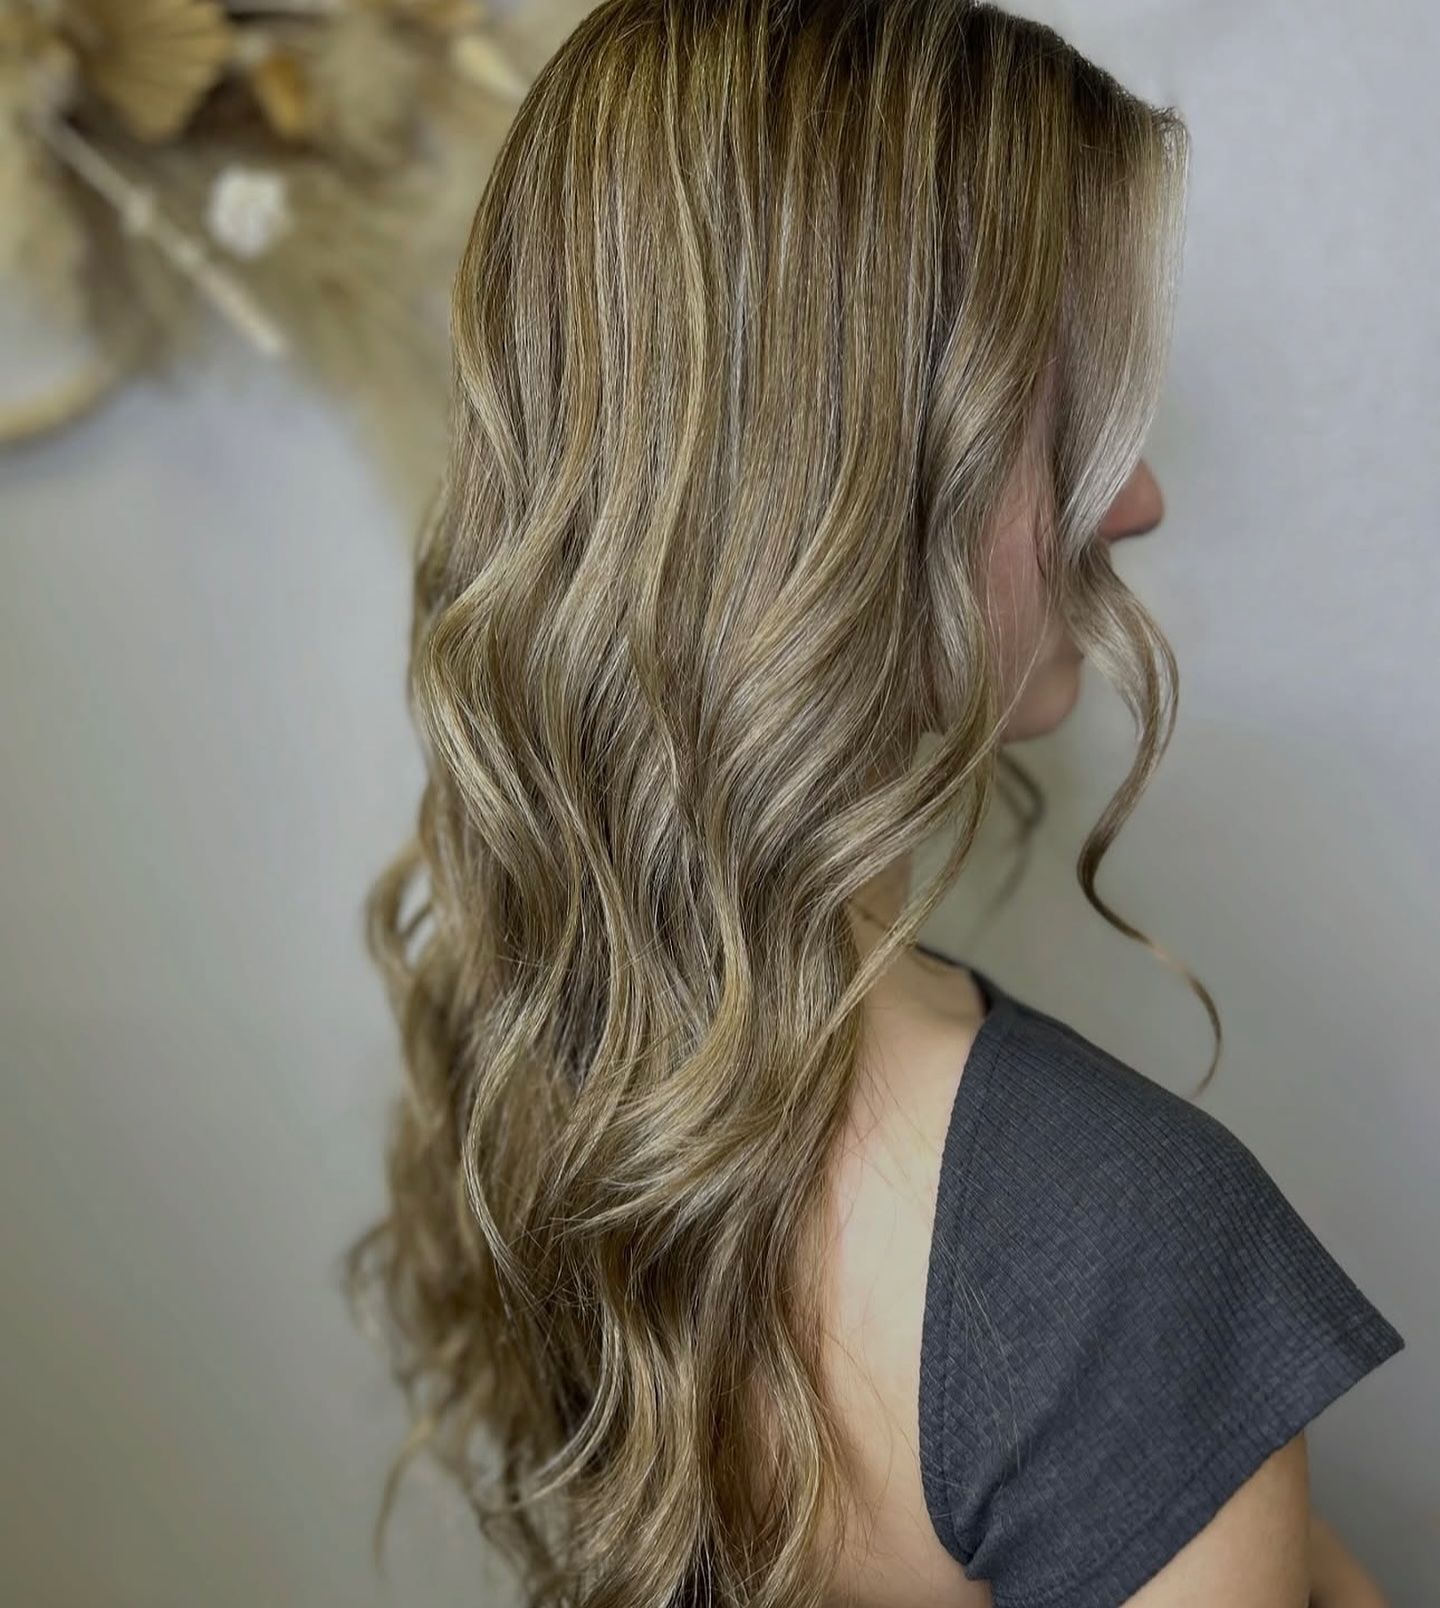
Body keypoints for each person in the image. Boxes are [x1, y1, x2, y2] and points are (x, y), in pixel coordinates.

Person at [343, 3, 1406, 1604]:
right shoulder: (1106, 1241)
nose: (1138, 495)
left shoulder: (566, 1055)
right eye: (1064, 412)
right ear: (828, 468)